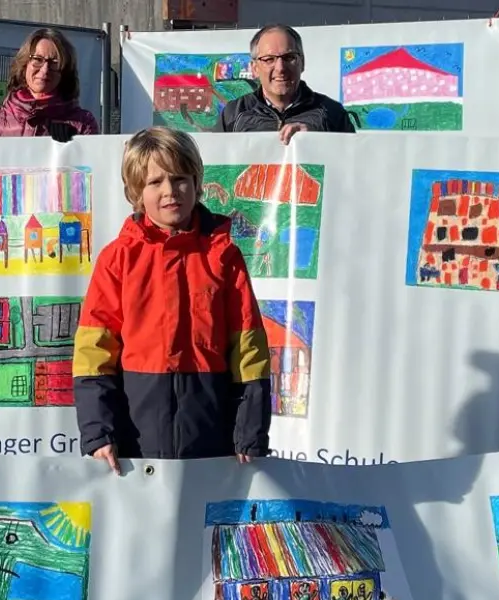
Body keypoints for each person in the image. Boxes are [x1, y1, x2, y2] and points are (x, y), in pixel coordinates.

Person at [73, 126, 272, 471]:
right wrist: (98, 433)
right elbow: (94, 355)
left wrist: (249, 432)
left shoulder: (225, 256)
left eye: (180, 179)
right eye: (155, 182)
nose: (170, 191)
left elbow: (249, 352)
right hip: (135, 439)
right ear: (137, 192)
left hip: (213, 438)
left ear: (196, 183)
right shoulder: (117, 258)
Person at [215, 25, 354, 143]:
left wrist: (316, 140)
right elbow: (213, 167)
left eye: (289, 58)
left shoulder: (332, 113)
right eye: (269, 59)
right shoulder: (233, 114)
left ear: (302, 63)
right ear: (255, 68)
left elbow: (352, 165)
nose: (280, 68)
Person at [0, 28, 99, 139]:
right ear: (24, 64)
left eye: (54, 62)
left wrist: (69, 145)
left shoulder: (83, 123)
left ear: (65, 71)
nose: (45, 70)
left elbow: (91, 164)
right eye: (38, 59)